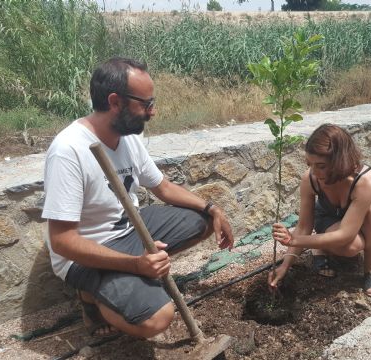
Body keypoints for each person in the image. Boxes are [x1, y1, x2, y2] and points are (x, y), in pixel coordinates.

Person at [42, 57, 234, 338]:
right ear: (115, 102)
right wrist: (135, 264)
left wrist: (213, 208)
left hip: (130, 229)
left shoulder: (127, 136)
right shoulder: (69, 151)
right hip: (88, 253)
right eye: (146, 104)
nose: (152, 112)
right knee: (157, 319)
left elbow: (163, 188)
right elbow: (62, 242)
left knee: (202, 220)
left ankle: (131, 279)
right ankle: (92, 297)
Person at [267, 124, 371, 297]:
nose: (314, 172)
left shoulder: (364, 180)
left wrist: (295, 241)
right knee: (352, 247)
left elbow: (346, 233)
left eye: (321, 166)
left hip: (357, 222)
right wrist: (285, 265)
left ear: (341, 160)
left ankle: (370, 270)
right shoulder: (310, 179)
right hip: (328, 219)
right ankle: (320, 248)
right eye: (310, 164)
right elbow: (303, 227)